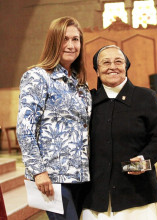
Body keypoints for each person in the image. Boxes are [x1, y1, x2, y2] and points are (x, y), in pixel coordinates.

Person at [81, 45, 157, 220]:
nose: (112, 66)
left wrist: (144, 160)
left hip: (137, 194)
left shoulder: (146, 97)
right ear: (97, 71)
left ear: (126, 66)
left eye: (118, 61)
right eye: (105, 62)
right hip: (96, 195)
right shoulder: (87, 101)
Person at [16, 16, 92, 220]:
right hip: (53, 176)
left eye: (75, 39)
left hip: (82, 176)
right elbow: (25, 128)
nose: (70, 45)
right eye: (64, 39)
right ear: (53, 42)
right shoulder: (38, 77)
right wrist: (38, 171)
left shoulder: (80, 84)